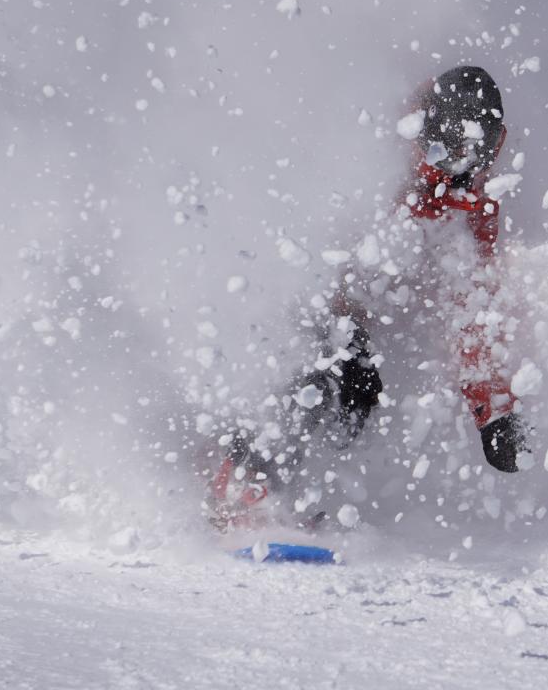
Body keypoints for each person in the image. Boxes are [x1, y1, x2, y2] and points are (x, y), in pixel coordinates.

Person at [206, 64, 530, 529]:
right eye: (448, 147)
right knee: (320, 364)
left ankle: (276, 490)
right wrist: (345, 324)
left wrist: (493, 413)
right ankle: (241, 480)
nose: (458, 165)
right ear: (429, 128)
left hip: (354, 314)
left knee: (354, 397)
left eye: (472, 153)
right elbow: (310, 231)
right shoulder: (378, 147)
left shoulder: (473, 208)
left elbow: (471, 310)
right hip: (279, 284)